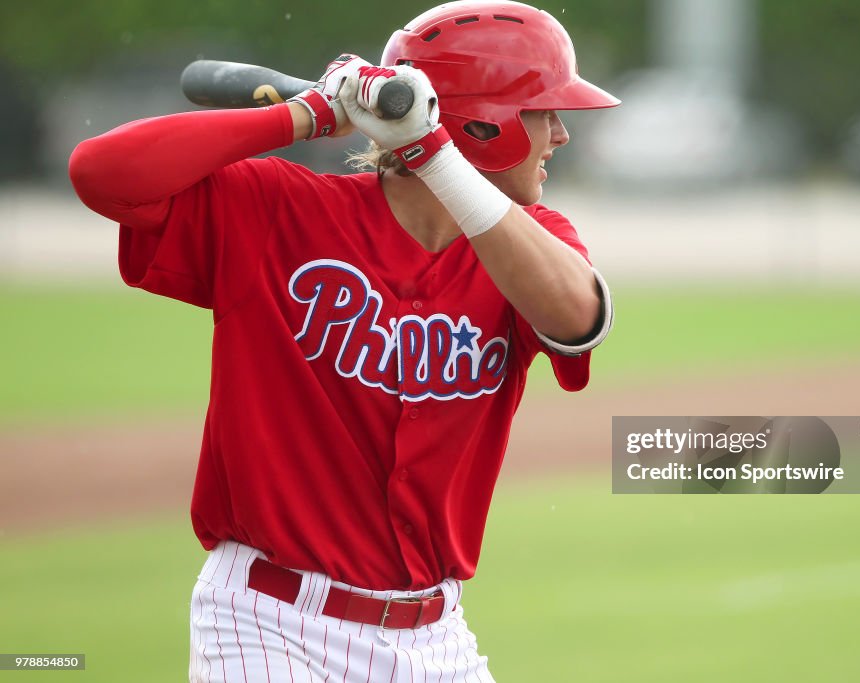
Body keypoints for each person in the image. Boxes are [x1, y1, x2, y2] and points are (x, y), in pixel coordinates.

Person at [69, 1, 619, 681]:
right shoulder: (280, 209)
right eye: (543, 112)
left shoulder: (531, 243)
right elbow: (101, 173)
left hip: (435, 637)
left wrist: (434, 154)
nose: (561, 135)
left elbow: (578, 318)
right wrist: (311, 115)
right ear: (487, 124)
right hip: (269, 623)